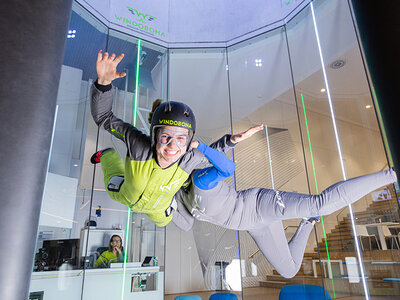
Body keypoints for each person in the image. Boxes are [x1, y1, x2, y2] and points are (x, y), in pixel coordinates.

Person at [171, 124, 398, 278]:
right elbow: (186, 223)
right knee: (288, 270)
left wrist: (199, 146)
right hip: (254, 226)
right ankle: (308, 222)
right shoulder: (181, 199)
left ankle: (392, 175)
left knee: (320, 203)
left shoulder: (199, 180)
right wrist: (166, 207)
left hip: (258, 204)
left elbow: (228, 168)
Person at [90, 50, 234, 227]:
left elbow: (211, 154)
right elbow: (104, 117)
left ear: (189, 141)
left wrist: (229, 141)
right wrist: (103, 84)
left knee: (170, 223)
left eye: (181, 139)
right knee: (111, 181)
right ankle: (107, 155)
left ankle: (174, 200)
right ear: (154, 135)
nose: (172, 146)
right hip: (125, 194)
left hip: (158, 209)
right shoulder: (139, 145)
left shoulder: (189, 157)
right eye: (165, 137)